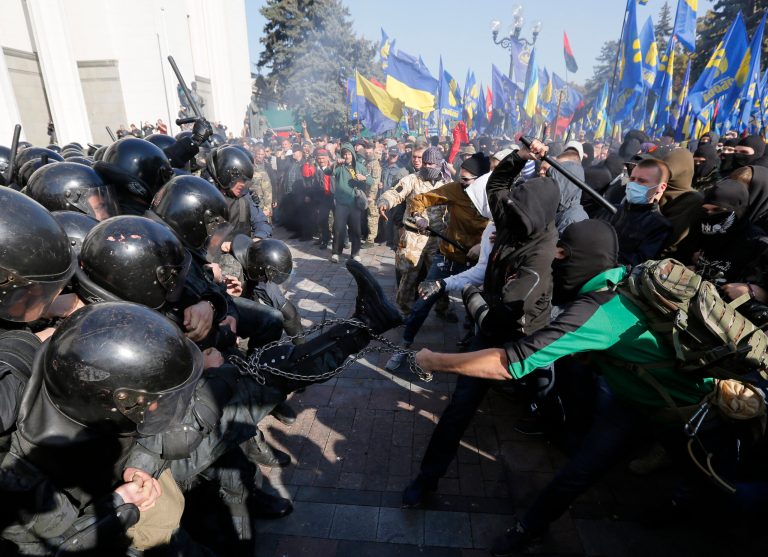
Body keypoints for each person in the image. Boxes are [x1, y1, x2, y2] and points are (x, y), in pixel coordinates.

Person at [413, 220, 755, 556]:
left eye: (562, 256)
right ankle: (529, 528)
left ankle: (689, 510)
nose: (556, 264)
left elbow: (510, 363)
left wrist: (433, 361)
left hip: (692, 414)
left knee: (724, 492)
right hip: (633, 401)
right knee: (580, 471)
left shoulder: (598, 310)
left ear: (581, 257)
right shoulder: (627, 276)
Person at [402, 143, 561, 508]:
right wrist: (522, 156)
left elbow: (502, 312)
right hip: (489, 325)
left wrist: (473, 299)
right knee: (460, 405)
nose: (503, 221)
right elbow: (497, 186)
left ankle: (554, 421)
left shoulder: (538, 259)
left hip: (521, 336)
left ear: (536, 220)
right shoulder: (509, 215)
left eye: (513, 218)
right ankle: (427, 481)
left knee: (542, 386)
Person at [385, 153, 491, 370]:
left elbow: (504, 228)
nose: (461, 183)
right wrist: (419, 215)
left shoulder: (495, 198)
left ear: (481, 180)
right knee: (423, 302)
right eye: (460, 177)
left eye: (466, 180)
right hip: (447, 256)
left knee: (477, 309)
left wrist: (484, 244)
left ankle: (473, 350)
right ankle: (404, 345)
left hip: (476, 263)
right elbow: (419, 199)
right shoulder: (454, 189)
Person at [377, 147, 449, 314]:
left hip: (437, 239)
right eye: (424, 162)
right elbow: (395, 193)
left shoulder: (446, 184)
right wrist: (385, 202)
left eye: (431, 163)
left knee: (439, 275)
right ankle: (404, 310)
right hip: (413, 238)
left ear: (439, 164)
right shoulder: (412, 179)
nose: (426, 166)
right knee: (409, 276)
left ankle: (442, 307)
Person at [601, 157, 673, 267]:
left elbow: (639, 261)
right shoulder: (611, 210)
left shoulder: (659, 226)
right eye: (632, 179)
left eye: (642, 181)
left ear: (661, 187)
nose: (633, 184)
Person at [329, 143, 373, 263]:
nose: (347, 156)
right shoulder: (340, 167)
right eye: (345, 154)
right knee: (338, 229)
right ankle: (336, 252)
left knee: (356, 230)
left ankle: (355, 253)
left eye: (349, 153)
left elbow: (371, 180)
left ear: (353, 154)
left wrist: (364, 178)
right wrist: (334, 163)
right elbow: (328, 172)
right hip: (341, 204)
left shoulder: (360, 167)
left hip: (355, 204)